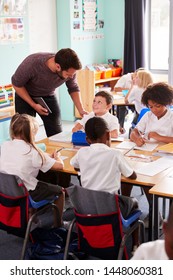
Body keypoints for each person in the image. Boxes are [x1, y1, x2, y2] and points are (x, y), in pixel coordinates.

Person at [0, 113, 65, 225]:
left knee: (36, 181)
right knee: (61, 191)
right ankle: (59, 224)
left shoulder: (5, 146)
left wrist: (44, 156)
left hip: (7, 190)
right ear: (31, 133)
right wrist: (58, 158)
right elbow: (60, 166)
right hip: (27, 193)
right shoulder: (32, 152)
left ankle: (31, 217)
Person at [70, 116, 138, 219]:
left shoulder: (82, 152)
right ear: (108, 134)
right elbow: (132, 176)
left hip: (87, 207)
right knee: (134, 203)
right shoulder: (115, 154)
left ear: (87, 140)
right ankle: (131, 233)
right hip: (110, 208)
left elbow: (75, 166)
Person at [11, 48, 87, 137]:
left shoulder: (70, 70)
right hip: (24, 95)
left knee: (56, 133)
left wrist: (81, 110)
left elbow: (73, 87)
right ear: (58, 66)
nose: (71, 77)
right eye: (68, 74)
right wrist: (33, 104)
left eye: (73, 74)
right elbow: (17, 84)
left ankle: (55, 151)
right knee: (23, 132)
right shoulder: (32, 63)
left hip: (47, 95)